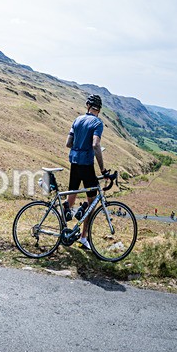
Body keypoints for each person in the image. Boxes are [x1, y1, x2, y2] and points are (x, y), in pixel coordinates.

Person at [64, 94, 107, 251]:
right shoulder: (97, 123)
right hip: (87, 165)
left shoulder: (77, 120)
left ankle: (64, 232)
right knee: (92, 202)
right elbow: (96, 144)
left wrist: (79, 146)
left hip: (74, 162)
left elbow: (68, 143)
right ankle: (83, 237)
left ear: (87, 106)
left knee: (70, 200)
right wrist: (102, 169)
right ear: (99, 110)